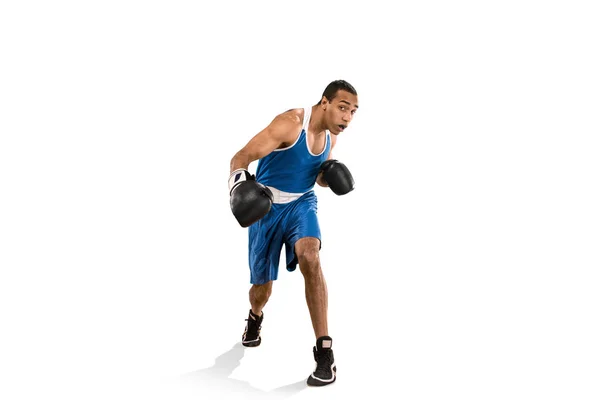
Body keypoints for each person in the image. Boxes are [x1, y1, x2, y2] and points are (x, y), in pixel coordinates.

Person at [228, 79, 358, 387]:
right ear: (324, 102)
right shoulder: (290, 123)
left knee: (310, 257)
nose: (347, 118)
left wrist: (329, 176)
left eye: (353, 112)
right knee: (262, 291)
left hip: (302, 204)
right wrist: (238, 187)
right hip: (267, 207)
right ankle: (255, 316)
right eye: (342, 108)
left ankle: (324, 352)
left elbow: (318, 177)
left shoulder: (330, 140)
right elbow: (241, 157)